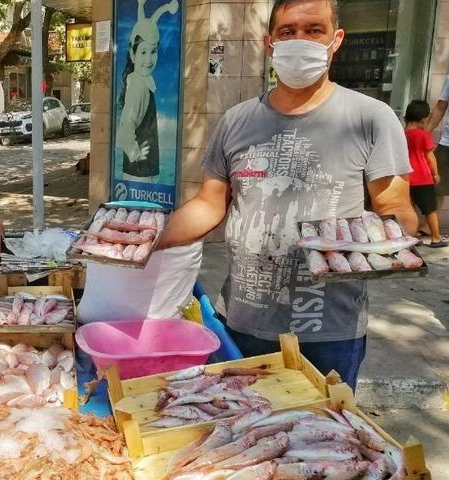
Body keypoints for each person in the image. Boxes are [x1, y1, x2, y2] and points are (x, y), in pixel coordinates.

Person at [157, 0, 416, 389]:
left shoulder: (371, 117)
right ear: (269, 44)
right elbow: (209, 205)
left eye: (314, 30)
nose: (300, 40)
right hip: (242, 321)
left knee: (324, 436)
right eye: (288, 31)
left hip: (329, 331)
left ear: (336, 40)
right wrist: (143, 242)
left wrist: (381, 241)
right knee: (240, 434)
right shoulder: (237, 120)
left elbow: (396, 208)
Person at [115, 0, 178, 178]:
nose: (149, 59)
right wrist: (135, 153)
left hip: (141, 170)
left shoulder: (142, 83)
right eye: (143, 52)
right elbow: (126, 125)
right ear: (132, 54)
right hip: (139, 172)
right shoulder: (139, 86)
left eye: (153, 51)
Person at [404, 100, 446, 247]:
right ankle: (436, 237)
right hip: (423, 179)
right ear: (423, 118)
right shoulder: (423, 135)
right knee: (430, 210)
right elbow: (430, 156)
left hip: (407, 179)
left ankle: (409, 235)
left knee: (409, 208)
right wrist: (435, 174)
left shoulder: (403, 134)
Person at [425, 75, 449, 236]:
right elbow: (441, 106)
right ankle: (430, 226)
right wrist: (424, 135)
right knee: (435, 185)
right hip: (447, 143)